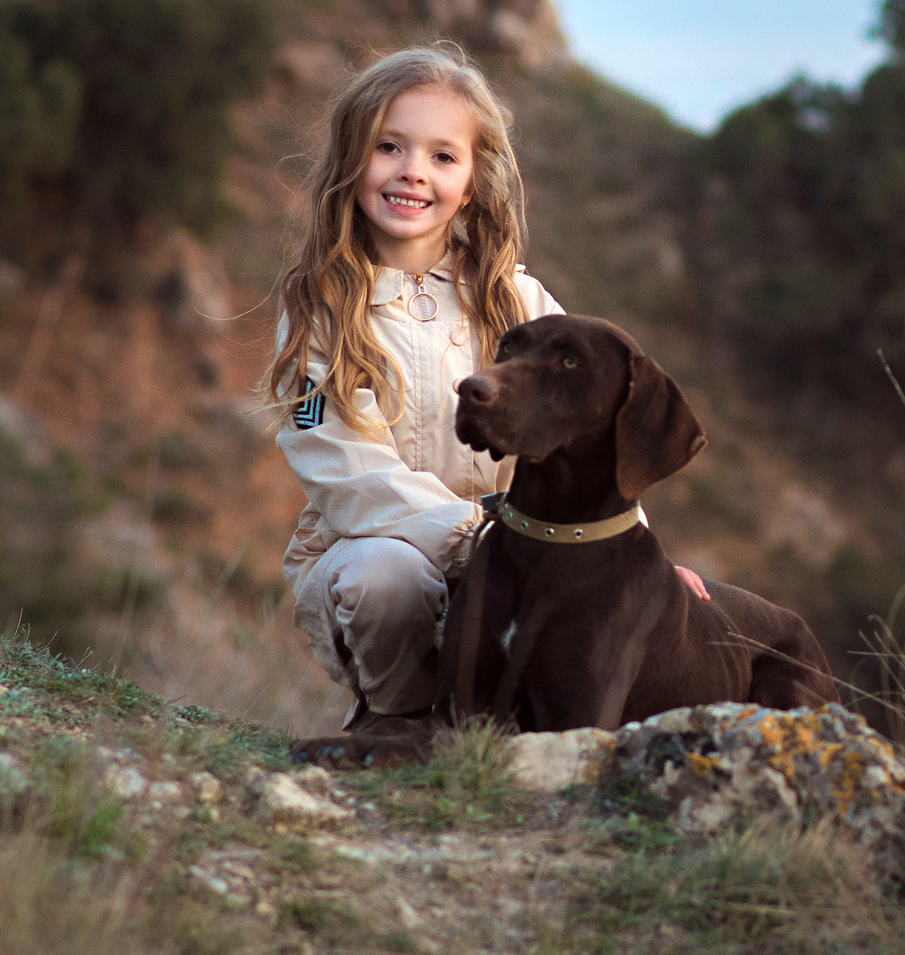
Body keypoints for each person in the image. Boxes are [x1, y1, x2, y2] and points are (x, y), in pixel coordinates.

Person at [263, 44, 700, 764]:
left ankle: (509, 733)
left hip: (520, 558)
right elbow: (348, 471)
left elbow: (593, 435)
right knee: (387, 577)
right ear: (351, 159)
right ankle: (396, 724)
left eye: (442, 156)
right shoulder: (320, 312)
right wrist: (474, 535)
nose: (413, 172)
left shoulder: (519, 302)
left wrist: (634, 546)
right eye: (389, 147)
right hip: (383, 552)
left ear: (472, 178)